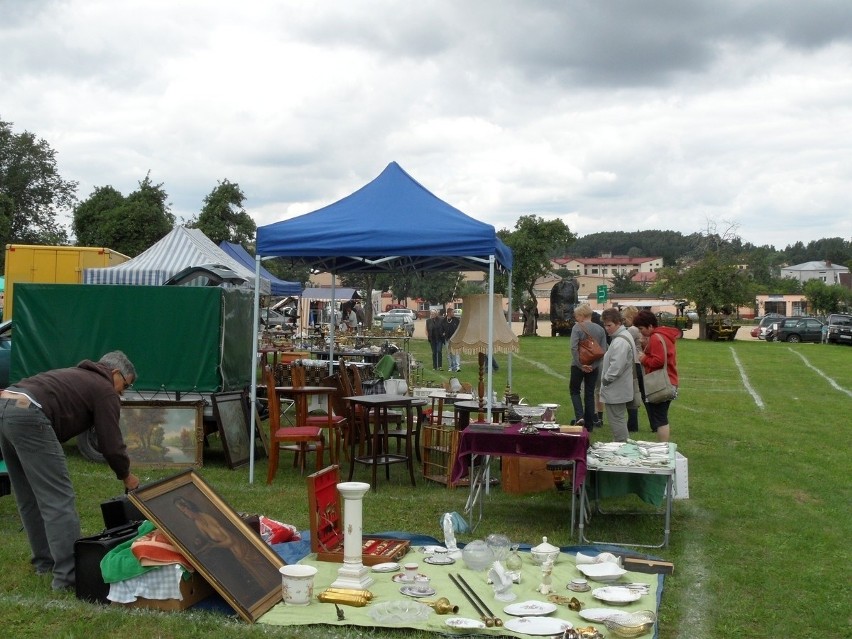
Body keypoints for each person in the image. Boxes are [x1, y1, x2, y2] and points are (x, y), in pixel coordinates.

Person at [0, 351, 139, 591]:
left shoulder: (78, 375)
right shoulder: (104, 388)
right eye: (124, 386)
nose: (122, 393)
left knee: (29, 496)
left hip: (7, 402)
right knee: (58, 499)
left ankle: (45, 563)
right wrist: (127, 475)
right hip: (29, 413)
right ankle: (70, 577)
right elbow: (111, 444)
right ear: (115, 374)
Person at [632, 309, 680, 442]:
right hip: (669, 380)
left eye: (641, 328)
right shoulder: (662, 335)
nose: (641, 331)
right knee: (660, 417)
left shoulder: (655, 337)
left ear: (650, 326)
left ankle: (662, 447)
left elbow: (658, 361)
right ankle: (662, 446)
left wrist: (643, 359)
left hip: (663, 382)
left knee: (660, 418)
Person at [599, 308, 637, 443]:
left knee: (617, 420)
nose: (607, 328)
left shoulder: (620, 341)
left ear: (618, 323)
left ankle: (622, 447)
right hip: (620, 387)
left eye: (609, 325)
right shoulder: (622, 337)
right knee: (618, 419)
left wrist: (606, 380)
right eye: (605, 325)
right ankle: (621, 444)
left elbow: (616, 367)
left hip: (616, 389)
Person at [569, 303, 607, 430]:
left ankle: (580, 416)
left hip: (577, 365)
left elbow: (574, 348)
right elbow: (603, 350)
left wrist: (580, 365)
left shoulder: (577, 328)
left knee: (575, 390)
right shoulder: (601, 329)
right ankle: (589, 424)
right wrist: (594, 365)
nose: (576, 318)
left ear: (581, 315)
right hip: (593, 366)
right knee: (590, 393)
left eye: (576, 316)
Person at [621, 306, 644, 433]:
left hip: (633, 363)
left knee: (632, 394)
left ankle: (632, 424)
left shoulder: (632, 330)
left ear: (630, 317)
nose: (625, 321)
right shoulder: (640, 329)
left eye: (625, 318)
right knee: (642, 394)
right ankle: (654, 423)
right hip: (640, 363)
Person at [442, 307, 461, 373]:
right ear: (449, 313)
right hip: (447, 339)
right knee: (449, 354)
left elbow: (459, 329)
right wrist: (443, 333)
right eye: (453, 312)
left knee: (456, 353)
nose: (454, 313)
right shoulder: (444, 321)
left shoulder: (456, 320)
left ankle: (457, 367)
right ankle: (451, 367)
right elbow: (442, 329)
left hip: (455, 339)